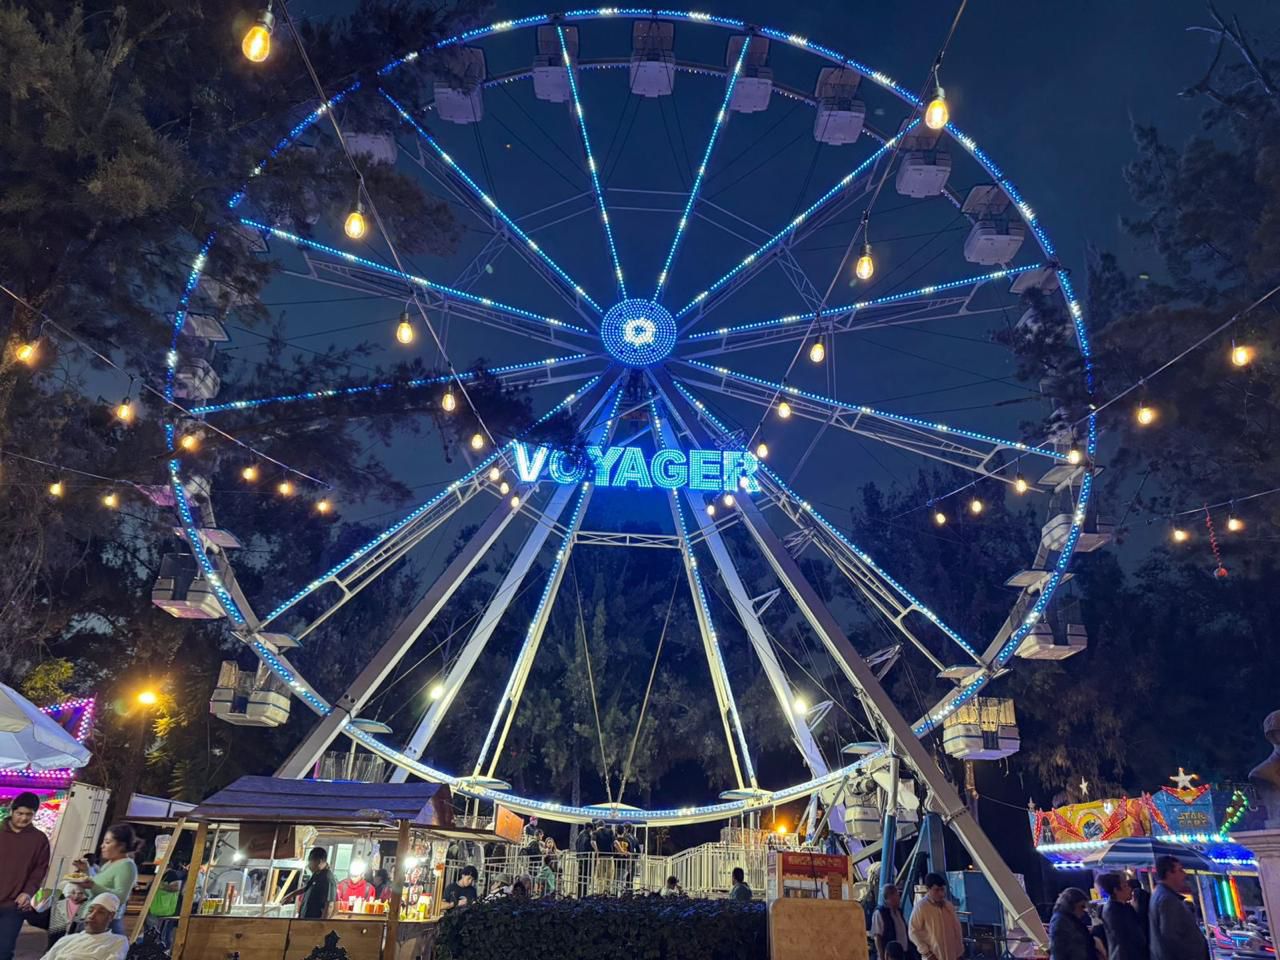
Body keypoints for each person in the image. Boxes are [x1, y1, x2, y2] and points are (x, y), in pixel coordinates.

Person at [1, 793, 51, 960]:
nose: (23, 818)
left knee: (4, 950)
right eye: (20, 813)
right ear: (12, 811)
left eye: (29, 814)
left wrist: (28, 892)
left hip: (14, 905)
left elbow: (39, 870)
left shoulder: (39, 840)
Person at [70, 824, 140, 936]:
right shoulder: (109, 863)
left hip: (103, 923)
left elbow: (121, 897)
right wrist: (85, 871)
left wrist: (93, 886)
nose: (102, 846)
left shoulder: (127, 866)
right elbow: (94, 892)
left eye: (107, 842)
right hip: (90, 917)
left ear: (121, 846)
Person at [1149, 856, 1209, 960]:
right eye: (1180, 870)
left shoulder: (1161, 894)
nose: (1184, 874)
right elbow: (1171, 939)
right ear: (1169, 873)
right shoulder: (1167, 899)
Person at [37, 894, 127, 960]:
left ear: (111, 916)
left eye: (100, 912)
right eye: (90, 910)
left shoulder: (117, 941)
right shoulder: (67, 939)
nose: (92, 916)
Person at [909, 874, 965, 960]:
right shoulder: (921, 907)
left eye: (942, 889)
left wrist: (959, 952)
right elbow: (913, 932)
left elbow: (957, 930)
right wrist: (926, 952)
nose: (941, 894)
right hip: (933, 956)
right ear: (928, 889)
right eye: (936, 890)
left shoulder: (948, 906)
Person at [1099, 872, 1148, 960]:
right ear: (1116, 890)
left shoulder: (1125, 906)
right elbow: (1124, 939)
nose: (1130, 889)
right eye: (1125, 886)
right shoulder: (1113, 910)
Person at [1050, 888, 1095, 960]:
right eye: (1082, 907)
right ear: (1071, 904)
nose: (1083, 912)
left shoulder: (1070, 920)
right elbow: (1059, 951)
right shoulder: (1061, 922)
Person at [873, 885, 913, 960]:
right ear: (889, 898)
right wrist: (881, 956)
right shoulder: (880, 913)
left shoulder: (898, 912)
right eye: (896, 896)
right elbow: (877, 937)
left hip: (902, 953)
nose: (899, 899)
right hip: (890, 955)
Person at [297, 847, 335, 920]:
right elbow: (306, 888)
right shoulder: (316, 874)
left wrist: (321, 923)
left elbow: (329, 905)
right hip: (305, 918)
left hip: (314, 920)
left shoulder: (328, 878)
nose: (309, 866)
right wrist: (290, 895)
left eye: (310, 862)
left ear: (319, 862)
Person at [592, 820, 617, 894]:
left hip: (601, 857)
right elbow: (615, 843)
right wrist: (622, 851)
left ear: (597, 826)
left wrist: (597, 851)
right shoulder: (610, 831)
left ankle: (600, 892)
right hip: (610, 857)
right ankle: (607, 892)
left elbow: (592, 842)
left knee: (600, 876)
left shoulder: (595, 832)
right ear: (604, 825)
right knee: (609, 876)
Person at [573, 823, 594, 898]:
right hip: (586, 860)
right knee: (586, 878)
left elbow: (576, 845)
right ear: (589, 828)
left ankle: (579, 895)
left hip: (580, 859)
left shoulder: (580, 835)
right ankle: (584, 895)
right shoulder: (587, 836)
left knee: (580, 878)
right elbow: (587, 845)